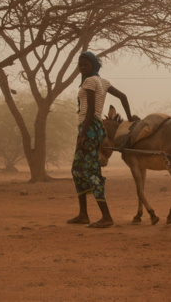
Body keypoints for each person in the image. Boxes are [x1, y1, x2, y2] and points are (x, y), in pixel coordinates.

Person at [67, 51, 135, 229]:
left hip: (89, 128)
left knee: (91, 171)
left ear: (94, 65)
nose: (82, 68)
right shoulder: (103, 82)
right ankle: (83, 214)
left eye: (86, 65)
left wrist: (83, 134)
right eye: (80, 65)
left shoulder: (90, 81)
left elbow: (89, 110)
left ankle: (106, 217)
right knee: (77, 169)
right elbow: (123, 97)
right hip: (94, 128)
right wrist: (129, 116)